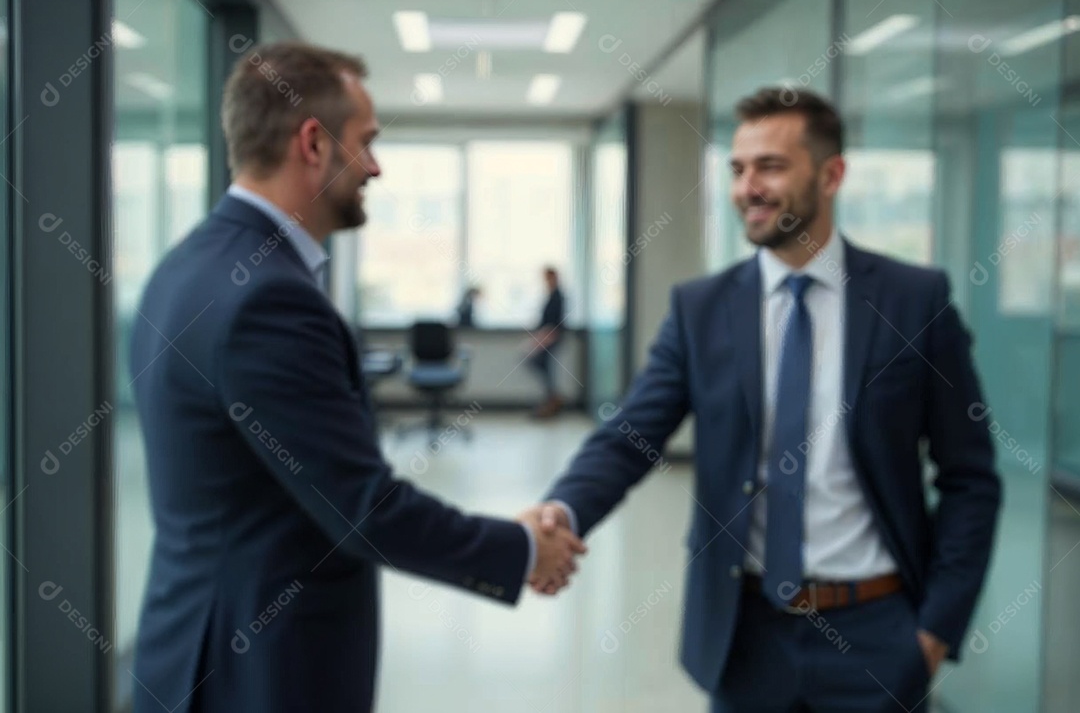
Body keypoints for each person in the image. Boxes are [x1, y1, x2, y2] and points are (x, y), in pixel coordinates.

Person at [128, 42, 585, 713]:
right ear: (313, 143)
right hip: (258, 668)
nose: (375, 165)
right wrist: (519, 549)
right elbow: (364, 511)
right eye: (366, 142)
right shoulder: (268, 297)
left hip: (191, 644)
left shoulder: (185, 266)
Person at [521, 87, 1001, 712]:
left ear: (832, 175)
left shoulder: (915, 300)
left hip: (877, 631)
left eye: (770, 166)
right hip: (743, 634)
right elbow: (629, 436)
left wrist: (934, 632)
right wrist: (561, 510)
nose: (748, 187)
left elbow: (971, 477)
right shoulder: (702, 309)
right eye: (738, 169)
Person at [527, 266, 566, 418]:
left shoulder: (558, 296)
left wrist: (542, 340)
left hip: (551, 338)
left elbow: (554, 323)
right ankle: (553, 398)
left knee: (543, 366)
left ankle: (553, 400)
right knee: (543, 368)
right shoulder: (551, 295)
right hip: (546, 337)